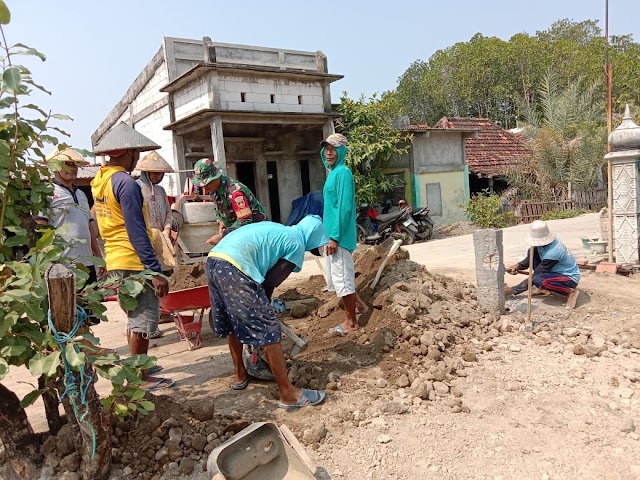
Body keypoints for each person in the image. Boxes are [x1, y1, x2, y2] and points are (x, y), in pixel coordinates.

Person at [206, 215, 327, 409]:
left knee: (232, 323)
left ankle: (240, 375)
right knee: (269, 330)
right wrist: (264, 308)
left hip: (214, 261)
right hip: (236, 267)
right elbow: (271, 280)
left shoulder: (279, 229)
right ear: (312, 237)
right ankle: (288, 393)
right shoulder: (295, 243)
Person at [91, 122, 174, 391]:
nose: (137, 158)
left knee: (133, 317)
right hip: (133, 260)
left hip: (115, 257)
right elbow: (135, 229)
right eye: (135, 153)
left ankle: (141, 366)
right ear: (126, 151)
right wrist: (154, 270)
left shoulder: (100, 180)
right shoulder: (126, 183)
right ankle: (140, 379)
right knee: (142, 321)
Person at [320, 133, 367, 336]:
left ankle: (351, 323)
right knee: (337, 279)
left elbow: (344, 209)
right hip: (332, 236)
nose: (329, 153)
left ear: (341, 151)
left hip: (338, 238)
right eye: (326, 149)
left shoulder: (343, 173)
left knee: (343, 279)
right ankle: (362, 307)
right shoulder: (333, 173)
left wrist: (334, 237)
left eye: (333, 149)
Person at [36, 148, 105, 285]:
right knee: (66, 305)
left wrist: (98, 257)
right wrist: (48, 261)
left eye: (74, 165)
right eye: (67, 164)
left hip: (87, 263)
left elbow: (89, 226)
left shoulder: (81, 194)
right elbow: (40, 228)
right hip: (63, 265)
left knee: (89, 305)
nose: (72, 168)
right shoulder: (47, 193)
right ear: (55, 167)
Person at [135, 151, 176, 339]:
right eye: (155, 173)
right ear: (146, 172)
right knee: (147, 283)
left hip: (162, 240)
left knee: (164, 277)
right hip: (144, 240)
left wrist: (167, 228)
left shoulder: (160, 191)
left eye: (161, 174)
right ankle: (146, 326)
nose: (158, 177)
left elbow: (168, 212)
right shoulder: (136, 188)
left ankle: (158, 316)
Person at [504, 220, 580, 308]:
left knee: (539, 280)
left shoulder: (553, 252)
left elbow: (536, 275)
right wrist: (519, 265)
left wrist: (513, 290)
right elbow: (531, 258)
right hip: (554, 272)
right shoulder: (544, 244)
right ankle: (544, 289)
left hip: (568, 278)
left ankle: (570, 292)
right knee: (532, 251)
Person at [190, 158, 267, 245]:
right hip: (238, 234)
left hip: (257, 234)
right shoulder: (213, 190)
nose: (205, 188)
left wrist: (223, 235)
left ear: (216, 177)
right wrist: (221, 221)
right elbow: (218, 208)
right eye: (202, 185)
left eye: (207, 184)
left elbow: (245, 220)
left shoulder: (235, 193)